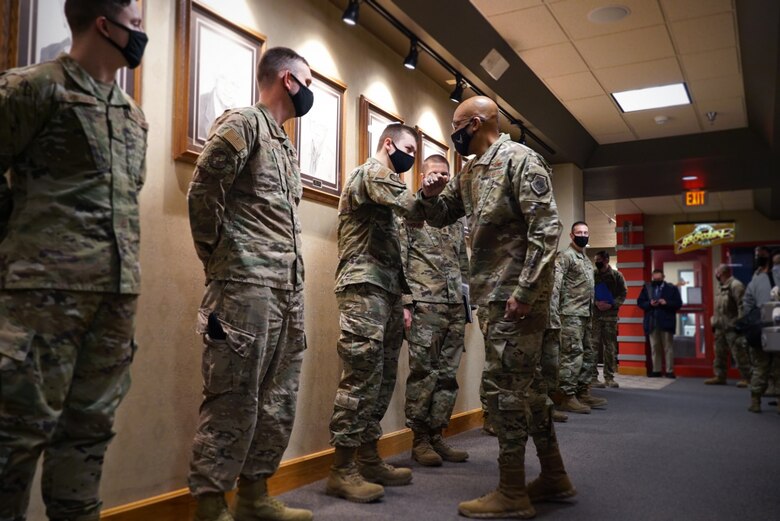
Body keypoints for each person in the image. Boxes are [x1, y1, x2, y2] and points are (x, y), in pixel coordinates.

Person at [0, 1, 148, 519]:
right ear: (104, 25)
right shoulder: (32, 87)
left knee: (89, 432)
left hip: (113, 299)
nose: (140, 37)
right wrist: (19, 244)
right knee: (14, 437)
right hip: (41, 297)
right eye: (135, 27)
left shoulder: (133, 117)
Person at [418, 96, 575, 519]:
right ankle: (555, 476)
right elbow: (440, 214)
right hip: (492, 299)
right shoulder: (470, 171)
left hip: (515, 301)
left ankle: (511, 492)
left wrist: (524, 292)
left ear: (475, 122)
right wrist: (430, 195)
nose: (453, 134)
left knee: (502, 392)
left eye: (456, 125)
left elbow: (546, 230)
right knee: (530, 390)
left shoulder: (520, 160)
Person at [186, 47, 315, 521]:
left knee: (278, 398)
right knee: (231, 398)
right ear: (288, 80)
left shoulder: (283, 143)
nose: (310, 90)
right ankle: (210, 504)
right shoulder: (243, 123)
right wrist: (220, 260)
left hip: (286, 291)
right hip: (241, 290)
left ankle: (255, 495)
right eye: (308, 79)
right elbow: (203, 194)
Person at [326, 124, 448, 503]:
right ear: (388, 143)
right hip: (364, 288)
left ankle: (367, 457)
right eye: (408, 149)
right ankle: (341, 468)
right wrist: (429, 194)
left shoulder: (386, 185)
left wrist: (406, 299)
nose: (412, 157)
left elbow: (408, 227)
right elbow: (414, 208)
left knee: (381, 378)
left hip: (388, 290)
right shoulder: (373, 173)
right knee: (360, 377)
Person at [398, 154, 470, 467]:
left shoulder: (454, 217)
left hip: (454, 305)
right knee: (423, 374)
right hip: (425, 305)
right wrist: (405, 303)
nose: (440, 178)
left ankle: (438, 434)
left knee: (447, 377)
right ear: (423, 175)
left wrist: (468, 303)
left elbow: (462, 262)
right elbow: (400, 257)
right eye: (434, 173)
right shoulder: (411, 210)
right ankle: (419, 440)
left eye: (445, 173)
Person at [555, 222, 607, 414]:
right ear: (571, 235)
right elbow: (556, 287)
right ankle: (566, 396)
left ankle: (582, 392)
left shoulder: (586, 260)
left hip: (586, 314)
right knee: (571, 355)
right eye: (579, 233)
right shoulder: (565, 257)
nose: (583, 235)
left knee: (588, 354)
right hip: (570, 314)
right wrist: (554, 312)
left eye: (586, 232)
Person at [744, 247, 780, 413]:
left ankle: (755, 400)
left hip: (761, 329)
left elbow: (747, 306)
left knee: (760, 365)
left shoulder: (755, 281)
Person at [705, 264, 751, 387]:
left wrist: (740, 325)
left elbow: (742, 306)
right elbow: (718, 308)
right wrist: (714, 321)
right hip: (720, 327)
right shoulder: (720, 287)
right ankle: (720, 376)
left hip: (732, 327)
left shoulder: (736, 285)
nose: (716, 275)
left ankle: (748, 378)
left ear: (723, 273)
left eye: (717, 273)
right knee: (719, 354)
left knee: (739, 354)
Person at [591, 251, 627, 388]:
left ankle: (609, 377)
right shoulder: (592, 274)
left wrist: (612, 304)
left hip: (610, 316)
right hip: (595, 315)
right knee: (593, 346)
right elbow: (586, 291)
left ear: (606, 260)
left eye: (599, 259)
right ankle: (593, 377)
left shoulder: (617, 276)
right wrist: (596, 303)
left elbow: (623, 293)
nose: (597, 262)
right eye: (596, 260)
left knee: (610, 347)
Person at [637, 269, 682, 378]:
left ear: (663, 277)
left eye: (659, 279)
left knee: (668, 347)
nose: (656, 281)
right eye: (655, 279)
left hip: (667, 322)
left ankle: (669, 371)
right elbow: (640, 302)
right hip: (652, 322)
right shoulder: (648, 288)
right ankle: (656, 370)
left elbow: (678, 304)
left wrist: (666, 303)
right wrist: (650, 303)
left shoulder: (671, 288)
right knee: (655, 347)